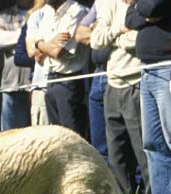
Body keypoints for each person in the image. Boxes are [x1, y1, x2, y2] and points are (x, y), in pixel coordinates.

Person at [126, 0, 171, 194]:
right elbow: (129, 18)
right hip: (146, 69)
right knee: (152, 142)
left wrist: (140, 9)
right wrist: (142, 12)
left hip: (168, 67)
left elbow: (152, 7)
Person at [91, 0, 150, 194]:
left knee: (143, 148)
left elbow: (139, 41)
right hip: (112, 84)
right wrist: (120, 29)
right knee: (116, 151)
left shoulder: (143, 5)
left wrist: (114, 38)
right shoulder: (109, 3)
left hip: (136, 83)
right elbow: (96, 40)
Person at [33, 0, 90, 139]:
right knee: (57, 140)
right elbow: (36, 56)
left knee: (72, 140)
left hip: (69, 83)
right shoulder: (46, 12)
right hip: (50, 81)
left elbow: (58, 52)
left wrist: (40, 44)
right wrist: (42, 43)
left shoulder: (77, 11)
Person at [0, 0, 33, 131]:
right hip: (12, 85)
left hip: (37, 86)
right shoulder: (5, 16)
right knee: (11, 136)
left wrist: (13, 45)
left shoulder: (43, 12)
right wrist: (27, 37)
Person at [75, 0, 110, 161]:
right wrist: (103, 34)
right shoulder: (100, 2)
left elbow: (124, 30)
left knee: (121, 138)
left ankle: (134, 185)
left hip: (117, 72)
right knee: (99, 142)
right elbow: (80, 33)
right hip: (98, 74)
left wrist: (97, 31)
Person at [23, 0, 51, 126]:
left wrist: (43, 45)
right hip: (41, 88)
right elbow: (34, 53)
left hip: (73, 88)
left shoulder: (79, 12)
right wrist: (56, 42)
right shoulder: (37, 16)